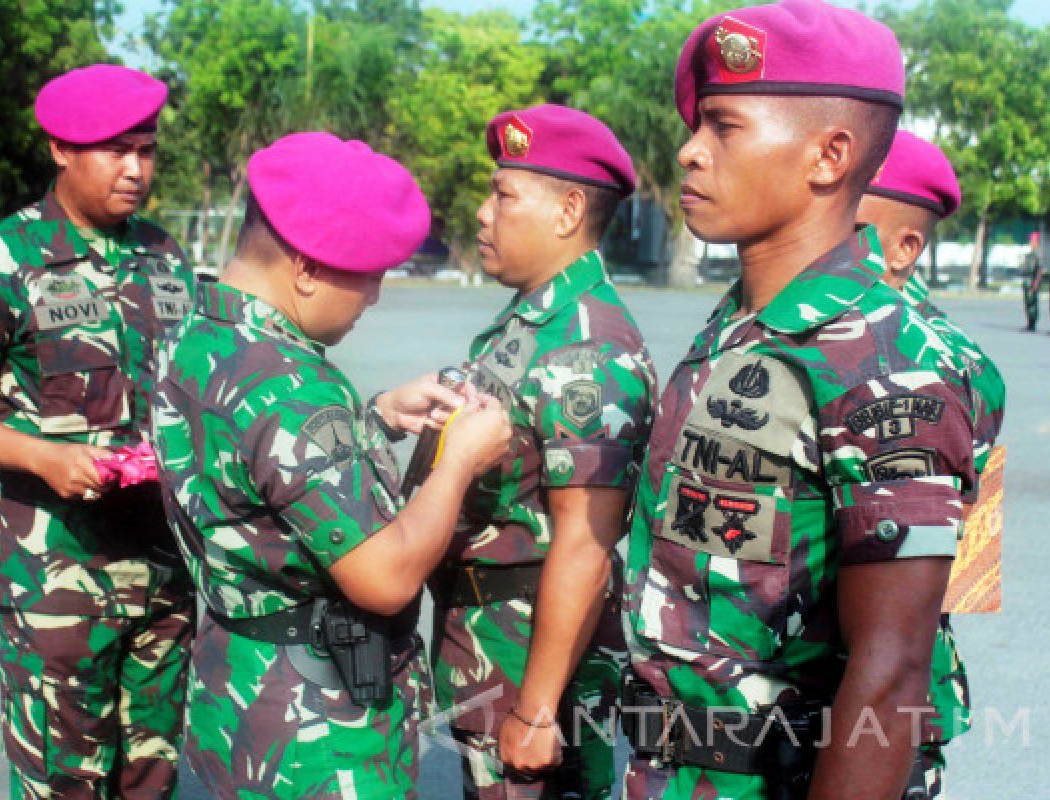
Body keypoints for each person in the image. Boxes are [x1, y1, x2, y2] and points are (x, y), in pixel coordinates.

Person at [619, 2, 978, 798]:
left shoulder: (889, 367)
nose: (689, 152)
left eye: (724, 127)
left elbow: (891, 672)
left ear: (828, 155)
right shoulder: (743, 324)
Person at [151, 132, 513, 800]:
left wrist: (372, 419)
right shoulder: (293, 385)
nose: (375, 296)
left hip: (235, 693)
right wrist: (458, 462)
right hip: (318, 736)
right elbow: (386, 577)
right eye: (367, 273)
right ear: (306, 269)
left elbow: (250, 472)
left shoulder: (200, 330)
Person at [0, 64, 196, 798]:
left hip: (162, 569)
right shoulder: (1, 262)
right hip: (52, 577)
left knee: (151, 774)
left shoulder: (165, 257)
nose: (136, 170)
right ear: (61, 150)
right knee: (62, 781)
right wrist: (41, 455)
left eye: (147, 149)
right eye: (116, 151)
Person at [426, 104, 657, 800]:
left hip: (530, 663)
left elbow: (586, 546)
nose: (481, 215)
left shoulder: (588, 348)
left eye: (503, 196)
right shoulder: (535, 319)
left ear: (568, 211)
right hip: (490, 644)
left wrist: (536, 709)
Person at [858, 128, 1007, 796]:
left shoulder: (944, 364)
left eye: (851, 227)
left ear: (903, 247)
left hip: (876, 693)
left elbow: (964, 571)